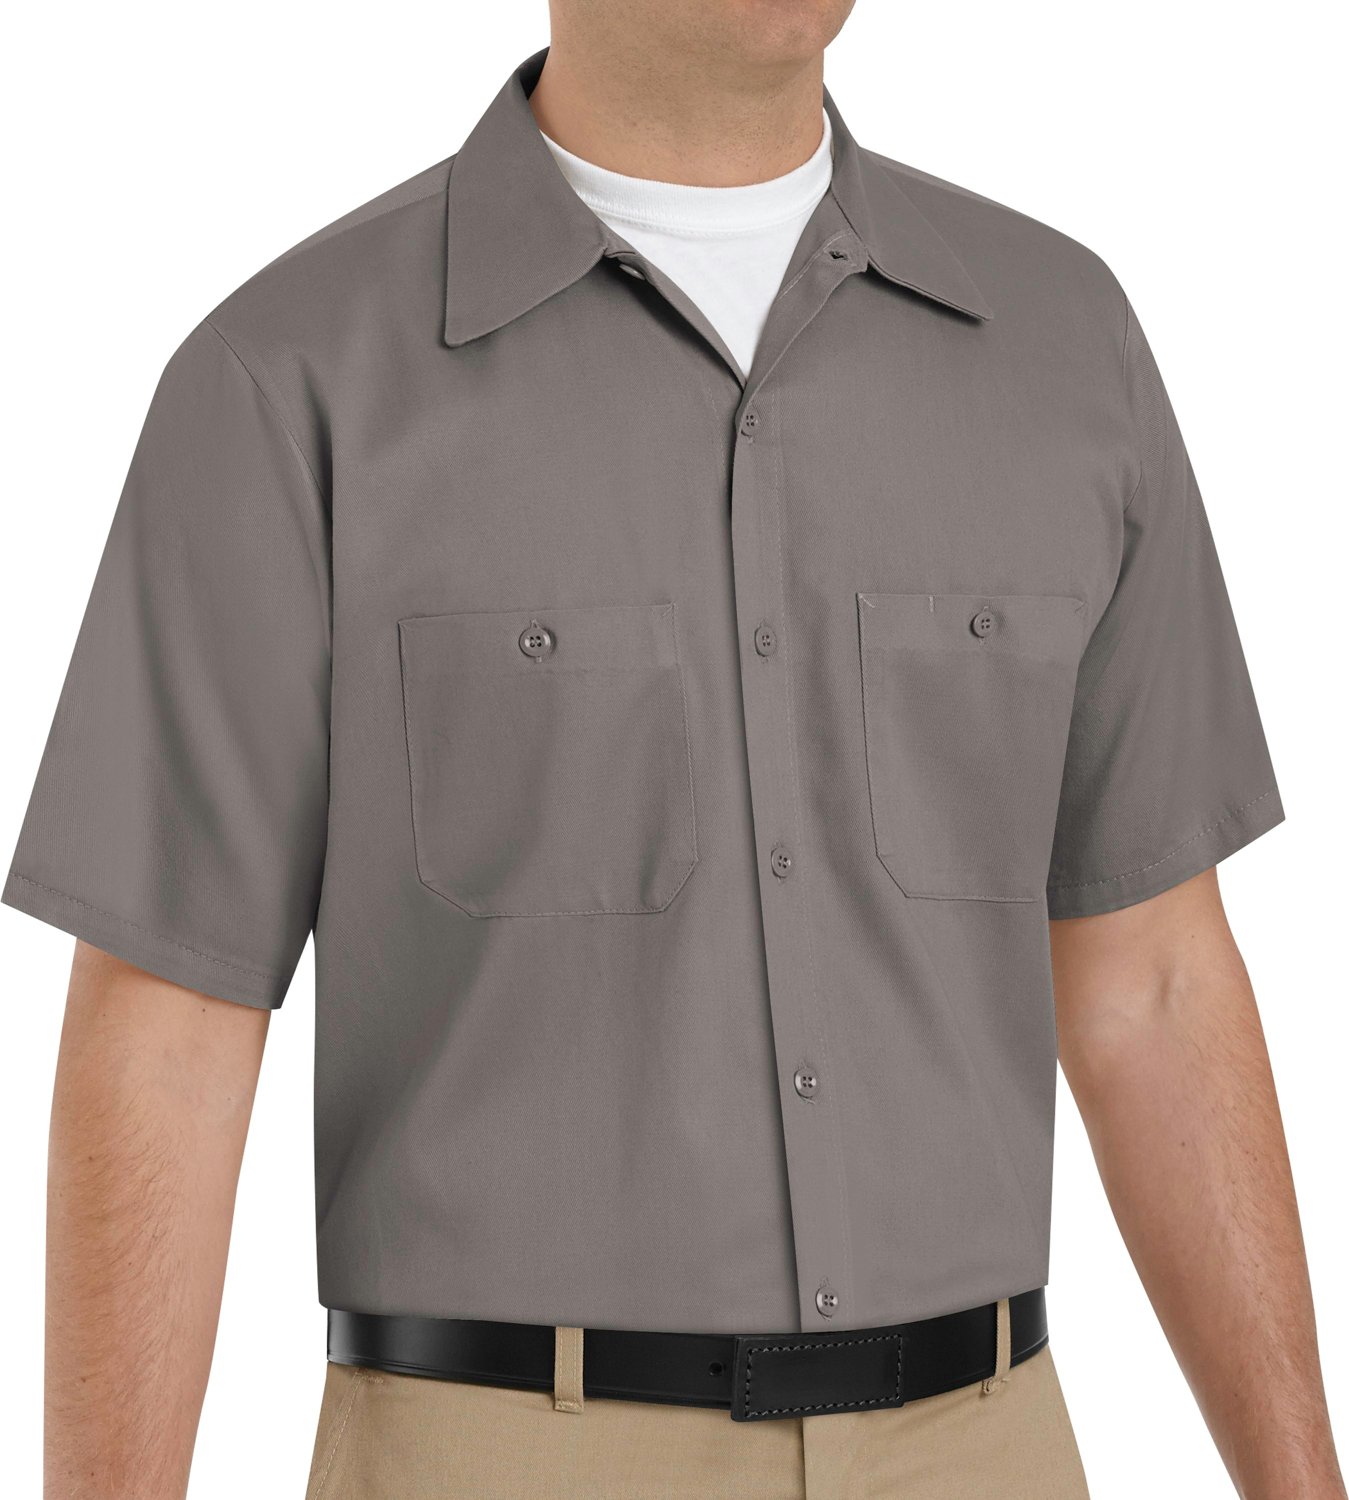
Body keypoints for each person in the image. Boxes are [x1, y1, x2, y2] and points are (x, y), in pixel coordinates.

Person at [6, 2, 1344, 1497]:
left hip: (986, 1445)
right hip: (503, 1457)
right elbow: (170, 1033)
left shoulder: (1063, 344)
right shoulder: (288, 379)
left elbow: (1154, 978)